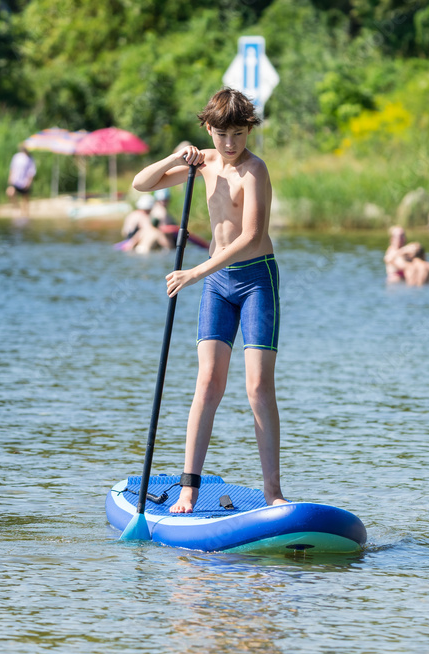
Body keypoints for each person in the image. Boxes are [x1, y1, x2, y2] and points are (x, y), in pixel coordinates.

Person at [131, 87, 284, 514]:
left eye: (238, 133)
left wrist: (197, 271)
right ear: (208, 130)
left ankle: (273, 493)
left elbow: (251, 235)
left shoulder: (255, 171)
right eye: (222, 134)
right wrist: (176, 159)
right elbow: (140, 184)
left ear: (249, 130)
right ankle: (188, 491)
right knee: (208, 384)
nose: (231, 143)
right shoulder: (204, 163)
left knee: (257, 387)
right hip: (218, 284)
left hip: (256, 280)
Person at [6, 145, 36, 217]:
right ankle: (16, 208)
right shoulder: (16, 156)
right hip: (15, 180)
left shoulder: (30, 158)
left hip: (25, 182)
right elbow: (12, 168)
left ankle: (25, 214)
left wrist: (29, 182)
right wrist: (10, 179)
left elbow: (31, 172)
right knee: (10, 192)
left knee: (25, 198)